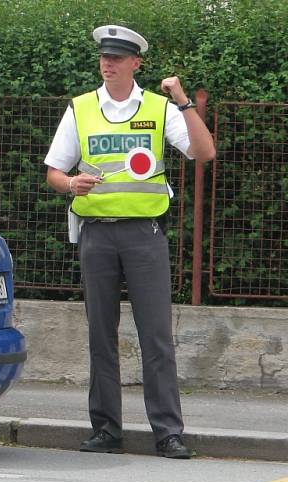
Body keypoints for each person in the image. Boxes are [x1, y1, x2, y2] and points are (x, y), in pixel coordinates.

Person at [44, 25, 216, 459]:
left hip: (144, 235)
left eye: (118, 57)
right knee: (101, 335)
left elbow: (204, 152)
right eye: (105, 56)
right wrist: (70, 185)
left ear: (135, 63)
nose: (108, 64)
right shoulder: (80, 108)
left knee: (156, 335)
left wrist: (182, 102)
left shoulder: (159, 108)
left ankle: (168, 433)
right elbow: (53, 172)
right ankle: (106, 430)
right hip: (97, 235)